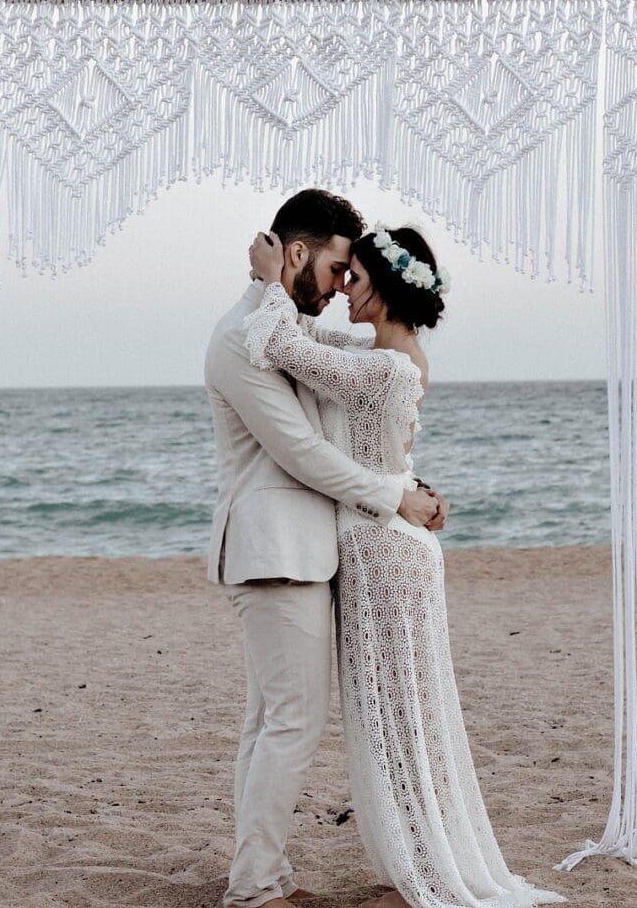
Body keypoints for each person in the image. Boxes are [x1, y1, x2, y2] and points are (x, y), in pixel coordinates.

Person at [243, 224, 562, 908]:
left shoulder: (387, 366)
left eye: (353, 278)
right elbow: (314, 349)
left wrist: (272, 279)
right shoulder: (385, 356)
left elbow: (280, 345)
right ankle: (418, 855)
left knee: (400, 722)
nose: (344, 289)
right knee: (395, 717)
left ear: (386, 289)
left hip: (385, 556)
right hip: (386, 545)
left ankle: (426, 864)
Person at [204, 189, 447, 908]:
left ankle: (258, 876)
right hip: (275, 552)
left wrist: (407, 479)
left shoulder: (284, 328)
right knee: (290, 723)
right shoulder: (240, 337)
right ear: (297, 254)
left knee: (271, 722)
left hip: (298, 552)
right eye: (338, 269)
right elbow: (302, 450)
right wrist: (391, 497)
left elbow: (361, 392)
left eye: (354, 276)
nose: (342, 285)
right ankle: (256, 888)